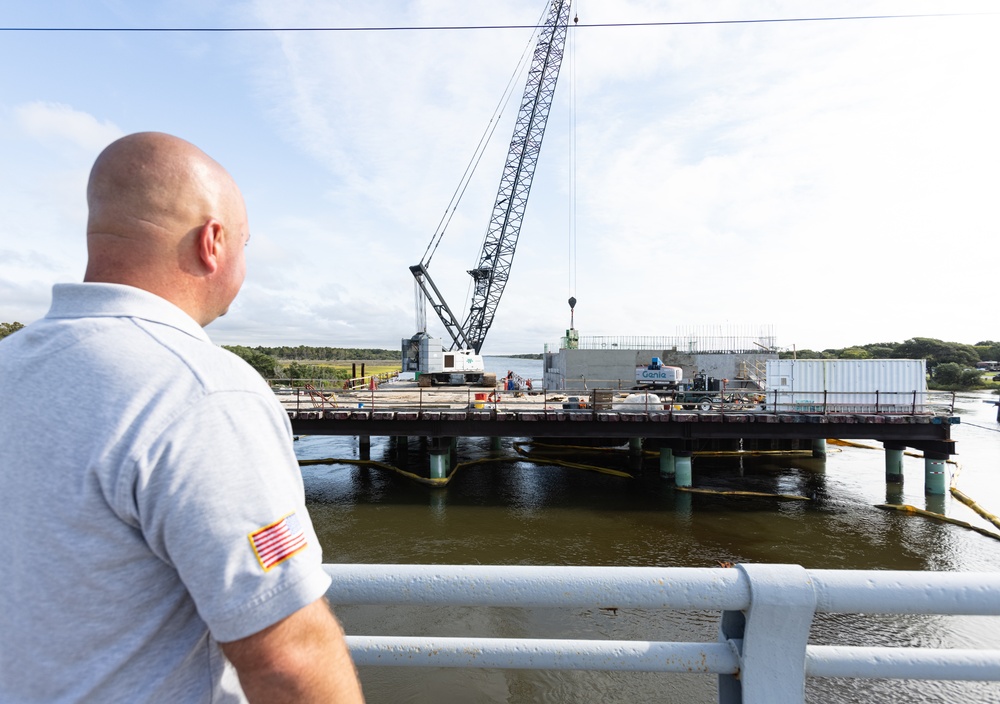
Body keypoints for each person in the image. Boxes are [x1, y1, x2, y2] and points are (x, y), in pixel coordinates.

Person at [0, 132, 364, 703]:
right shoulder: (202, 391)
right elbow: (288, 659)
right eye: (245, 242)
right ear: (213, 242)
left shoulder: (11, 363)